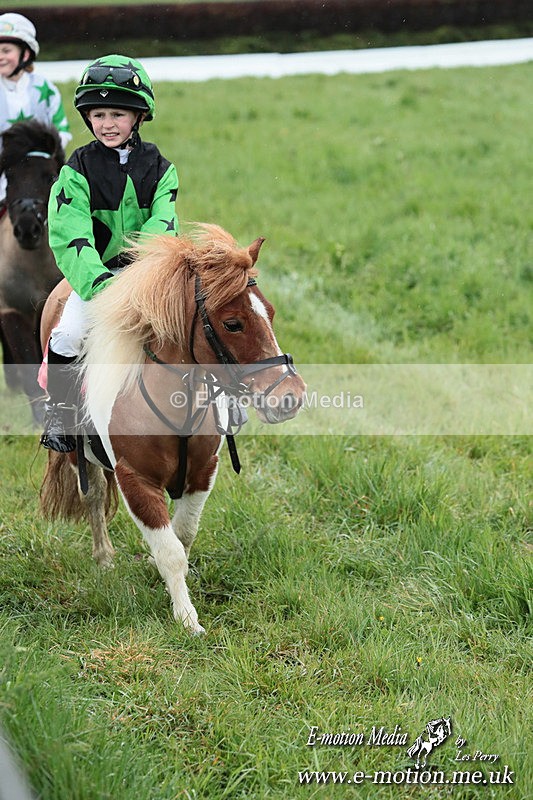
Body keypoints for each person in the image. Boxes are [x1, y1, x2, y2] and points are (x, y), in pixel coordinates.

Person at [40, 54, 179, 452]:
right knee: (66, 335)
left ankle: (216, 405)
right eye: (98, 114)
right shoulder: (76, 169)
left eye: (117, 114)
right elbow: (71, 236)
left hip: (146, 278)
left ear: (138, 116)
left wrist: (137, 279)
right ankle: (61, 413)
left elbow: (163, 225)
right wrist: (100, 285)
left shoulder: (161, 168)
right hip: (94, 280)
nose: (107, 124)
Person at [0, 13, 71, 213]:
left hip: (39, 174)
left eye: (6, 50)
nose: (0, 56)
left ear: (25, 53)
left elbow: (62, 132)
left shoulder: (46, 88)